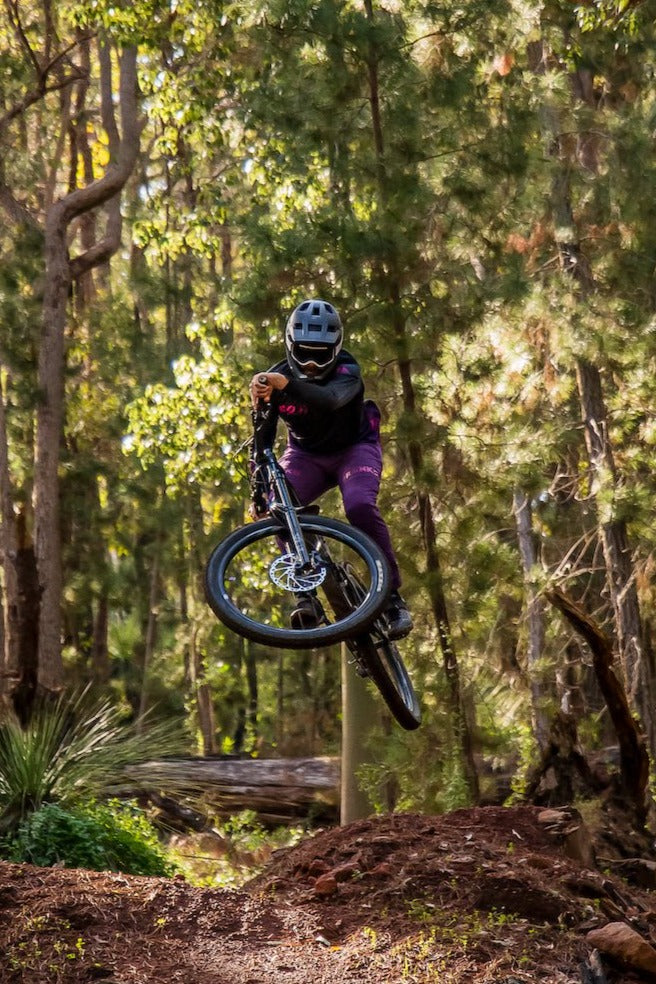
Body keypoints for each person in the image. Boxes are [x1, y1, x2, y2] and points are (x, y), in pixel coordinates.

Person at [249, 298, 412, 640]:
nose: (310, 363)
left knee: (359, 506)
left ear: (335, 350)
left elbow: (330, 400)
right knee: (280, 504)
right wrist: (259, 492)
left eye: (321, 355)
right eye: (305, 353)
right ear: (291, 346)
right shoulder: (276, 380)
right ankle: (305, 594)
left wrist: (285, 385)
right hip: (306, 455)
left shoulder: (347, 371)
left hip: (355, 450)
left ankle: (393, 600)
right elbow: (262, 444)